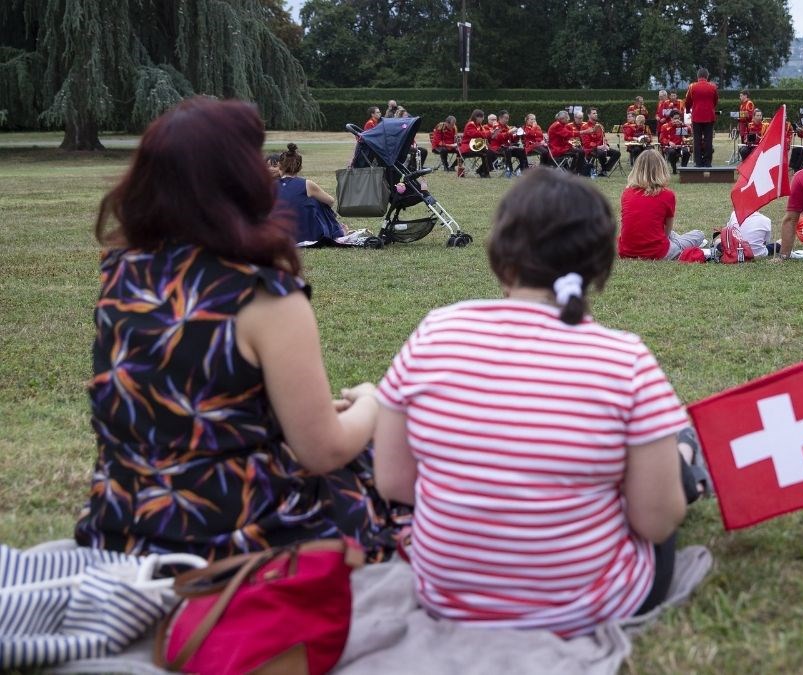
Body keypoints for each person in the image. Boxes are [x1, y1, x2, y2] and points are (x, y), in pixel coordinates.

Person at [372, 168, 704, 637]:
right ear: (599, 265)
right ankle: (686, 456)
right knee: (670, 471)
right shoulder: (626, 359)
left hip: (448, 600)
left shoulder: (435, 331)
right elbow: (654, 522)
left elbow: (394, 482)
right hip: (588, 608)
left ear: (500, 254)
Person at [77, 97, 404, 561]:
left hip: (124, 523)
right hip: (232, 533)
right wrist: (372, 404)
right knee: (386, 467)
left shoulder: (122, 272)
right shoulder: (264, 294)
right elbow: (323, 451)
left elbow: (181, 402)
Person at [619, 150, 705, 260]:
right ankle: (678, 243)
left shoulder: (627, 193)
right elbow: (667, 230)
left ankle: (676, 241)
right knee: (698, 234)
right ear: (661, 169)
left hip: (627, 250)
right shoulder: (667, 195)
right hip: (657, 252)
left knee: (670, 234)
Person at [276, 143, 346, 243]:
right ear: (299, 167)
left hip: (276, 232)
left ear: (280, 166)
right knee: (318, 202)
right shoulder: (306, 184)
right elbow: (331, 201)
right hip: (302, 235)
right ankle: (337, 231)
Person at [548, 110, 588, 176]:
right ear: (562, 118)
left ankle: (572, 171)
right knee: (581, 152)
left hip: (562, 147)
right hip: (557, 149)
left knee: (577, 152)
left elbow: (567, 136)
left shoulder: (561, 124)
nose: (569, 119)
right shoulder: (557, 125)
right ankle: (577, 172)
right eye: (567, 118)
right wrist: (583, 132)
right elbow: (568, 134)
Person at [582, 107, 619, 177]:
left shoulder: (600, 126)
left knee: (617, 153)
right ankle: (603, 170)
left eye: (596, 113)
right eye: (594, 113)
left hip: (601, 148)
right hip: (590, 149)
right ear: (588, 115)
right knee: (601, 153)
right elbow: (586, 143)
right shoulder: (585, 127)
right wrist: (599, 147)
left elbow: (603, 138)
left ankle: (604, 169)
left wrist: (606, 145)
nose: (596, 114)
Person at [459, 109, 496, 178]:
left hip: (475, 146)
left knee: (492, 153)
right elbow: (475, 134)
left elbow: (483, 135)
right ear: (476, 117)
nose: (483, 119)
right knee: (487, 152)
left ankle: (481, 171)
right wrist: (489, 132)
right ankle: (485, 172)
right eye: (481, 117)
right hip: (467, 147)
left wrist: (492, 134)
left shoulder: (479, 125)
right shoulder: (470, 124)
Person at [491, 110, 528, 177]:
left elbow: (512, 140)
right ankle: (509, 170)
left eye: (508, 118)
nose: (507, 120)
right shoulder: (496, 126)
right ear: (500, 118)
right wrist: (509, 132)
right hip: (497, 148)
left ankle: (522, 170)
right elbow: (499, 137)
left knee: (522, 151)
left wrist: (517, 135)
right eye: (506, 118)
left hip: (507, 147)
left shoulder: (507, 127)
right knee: (507, 150)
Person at [658, 109, 691, 174]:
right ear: (671, 118)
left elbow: (689, 132)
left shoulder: (681, 125)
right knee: (672, 152)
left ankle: (683, 169)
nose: (677, 120)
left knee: (686, 152)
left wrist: (683, 125)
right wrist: (669, 142)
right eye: (675, 118)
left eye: (678, 118)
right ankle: (674, 169)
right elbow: (661, 139)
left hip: (680, 145)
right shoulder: (665, 126)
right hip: (669, 147)